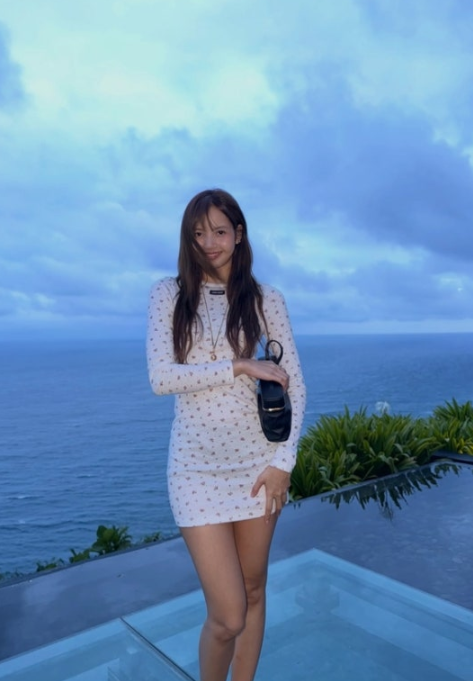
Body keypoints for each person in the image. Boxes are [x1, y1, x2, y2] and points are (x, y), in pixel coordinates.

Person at [146, 188, 306, 681]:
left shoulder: (265, 300)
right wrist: (240, 365)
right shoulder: (168, 295)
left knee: (254, 589)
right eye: (198, 233)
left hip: (258, 466)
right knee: (228, 615)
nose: (209, 243)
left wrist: (283, 463)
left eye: (219, 231)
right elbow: (161, 378)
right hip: (195, 470)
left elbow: (296, 384)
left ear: (239, 234)